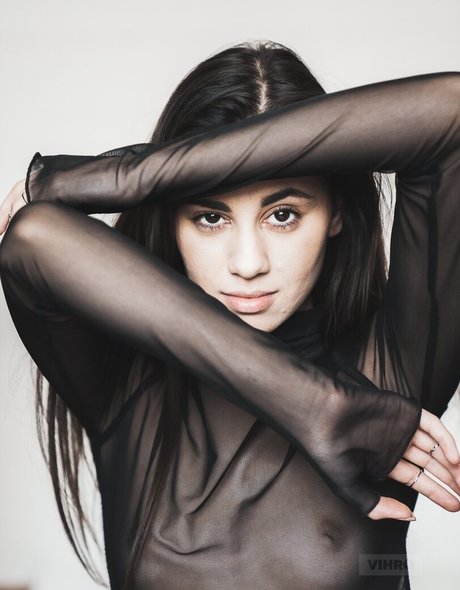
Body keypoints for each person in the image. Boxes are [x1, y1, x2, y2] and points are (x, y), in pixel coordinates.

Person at [0, 40, 459, 590]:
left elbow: (451, 114)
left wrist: (107, 177)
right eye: (210, 217)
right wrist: (312, 404)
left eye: (282, 214)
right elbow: (33, 241)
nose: (247, 264)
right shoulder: (128, 381)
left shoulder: (392, 366)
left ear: (335, 213)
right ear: (172, 220)